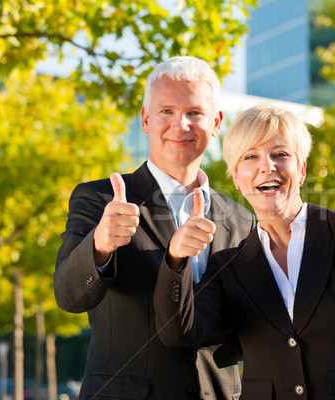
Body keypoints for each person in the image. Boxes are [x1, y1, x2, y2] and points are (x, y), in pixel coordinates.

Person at [154, 104, 335, 399]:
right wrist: (175, 259)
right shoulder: (228, 266)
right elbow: (178, 332)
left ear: (300, 169)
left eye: (281, 154)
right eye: (251, 157)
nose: (268, 166)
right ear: (237, 179)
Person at [54, 56, 254, 400]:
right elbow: (69, 296)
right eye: (166, 112)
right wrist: (99, 246)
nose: (181, 125)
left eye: (195, 112)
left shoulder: (241, 219)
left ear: (216, 122)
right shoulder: (98, 199)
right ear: (146, 120)